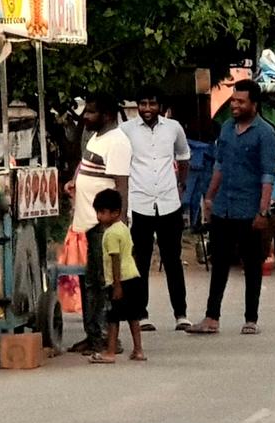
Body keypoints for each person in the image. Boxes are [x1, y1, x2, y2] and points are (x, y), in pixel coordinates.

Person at [186, 79, 275, 336]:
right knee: (220, 263)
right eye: (233, 100)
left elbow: (267, 176)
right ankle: (211, 317)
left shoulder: (266, 134)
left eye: (240, 101)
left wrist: (262, 212)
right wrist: (209, 197)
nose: (235, 105)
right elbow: (219, 165)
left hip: (249, 209)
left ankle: (251, 318)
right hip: (223, 207)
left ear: (254, 104)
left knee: (252, 263)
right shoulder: (226, 128)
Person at [65, 94, 132, 355]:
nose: (85, 117)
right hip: (87, 221)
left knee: (101, 282)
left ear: (106, 115)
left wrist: (120, 222)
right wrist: (74, 181)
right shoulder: (96, 137)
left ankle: (105, 336)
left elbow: (121, 184)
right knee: (90, 282)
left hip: (102, 224)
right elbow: (87, 165)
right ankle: (92, 333)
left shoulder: (117, 142)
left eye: (90, 112)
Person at [121, 85, 193, 332]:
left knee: (172, 259)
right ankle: (141, 314)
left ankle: (181, 314)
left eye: (152, 104)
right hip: (139, 202)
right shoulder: (126, 130)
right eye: (143, 104)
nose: (147, 109)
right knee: (140, 260)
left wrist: (181, 186)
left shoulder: (174, 128)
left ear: (160, 106)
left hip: (168, 202)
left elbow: (184, 156)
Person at [88, 189, 146, 364]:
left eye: (102, 212)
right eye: (98, 212)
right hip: (133, 276)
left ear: (115, 213)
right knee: (133, 316)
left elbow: (115, 259)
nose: (99, 216)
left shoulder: (111, 233)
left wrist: (117, 285)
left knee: (113, 318)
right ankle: (138, 350)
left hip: (120, 280)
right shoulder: (123, 228)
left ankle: (110, 351)